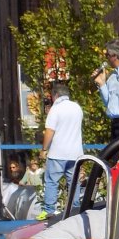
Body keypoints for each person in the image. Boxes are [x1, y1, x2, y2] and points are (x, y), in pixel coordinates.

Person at [39, 81, 84, 220]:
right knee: (74, 181)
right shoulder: (77, 107)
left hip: (58, 152)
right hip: (76, 152)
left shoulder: (56, 109)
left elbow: (50, 131)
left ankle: (49, 209)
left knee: (52, 181)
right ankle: (75, 209)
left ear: (56, 95)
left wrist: (44, 149)